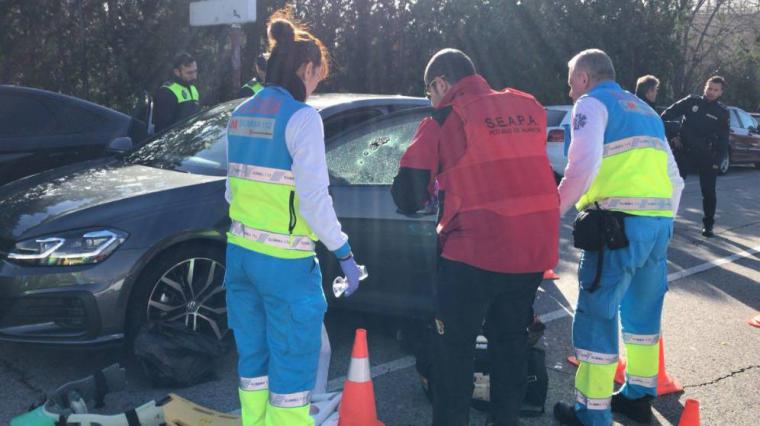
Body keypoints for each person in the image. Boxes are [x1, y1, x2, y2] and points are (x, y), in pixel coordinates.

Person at [391, 48, 559, 426]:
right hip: (532, 251)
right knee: (511, 346)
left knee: (454, 354)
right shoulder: (528, 106)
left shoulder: (444, 117)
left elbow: (408, 192)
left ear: (440, 83)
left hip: (473, 255)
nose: (429, 99)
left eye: (428, 91)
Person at [224, 12, 363, 426]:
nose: (317, 83)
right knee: (292, 370)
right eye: (318, 75)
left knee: (253, 363)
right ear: (305, 68)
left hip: (241, 256)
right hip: (285, 265)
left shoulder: (241, 114)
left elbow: (232, 190)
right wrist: (345, 253)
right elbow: (314, 200)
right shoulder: (302, 118)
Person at [552, 49, 684, 426]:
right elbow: (674, 177)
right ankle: (638, 397)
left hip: (615, 228)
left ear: (583, 78)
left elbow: (582, 164)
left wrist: (554, 211)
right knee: (643, 316)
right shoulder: (646, 111)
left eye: (570, 82)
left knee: (597, 314)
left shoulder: (591, 105)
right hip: (656, 226)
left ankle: (591, 414)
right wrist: (663, 221)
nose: (570, 90)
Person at [661, 76, 730, 237]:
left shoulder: (722, 113)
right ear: (705, 87)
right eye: (709, 88)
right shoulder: (691, 101)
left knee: (708, 192)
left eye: (715, 90)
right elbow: (664, 117)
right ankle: (664, 220)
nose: (711, 92)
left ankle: (708, 225)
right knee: (672, 186)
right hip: (684, 152)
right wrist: (673, 136)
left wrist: (718, 162)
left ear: (721, 92)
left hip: (707, 156)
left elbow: (723, 140)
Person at [154, 52, 200, 132]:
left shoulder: (193, 88)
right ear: (177, 72)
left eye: (195, 71)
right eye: (189, 73)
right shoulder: (167, 92)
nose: (194, 76)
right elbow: (162, 130)